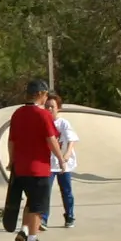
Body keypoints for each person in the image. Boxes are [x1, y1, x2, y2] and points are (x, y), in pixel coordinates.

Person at [4, 79, 61, 241]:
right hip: (39, 168)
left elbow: (11, 141)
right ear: (39, 94)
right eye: (45, 95)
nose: (46, 98)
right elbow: (51, 139)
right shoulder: (43, 115)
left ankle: (25, 231)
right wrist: (61, 158)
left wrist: (11, 161)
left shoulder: (17, 113)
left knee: (30, 202)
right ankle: (32, 240)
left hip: (20, 168)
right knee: (38, 206)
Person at [46, 94, 78, 228]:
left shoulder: (63, 123)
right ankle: (42, 218)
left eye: (52, 107)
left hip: (63, 164)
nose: (49, 109)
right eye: (46, 106)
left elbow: (72, 140)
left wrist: (66, 155)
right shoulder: (43, 122)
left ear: (58, 108)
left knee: (66, 190)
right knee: (45, 191)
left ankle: (69, 216)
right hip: (48, 164)